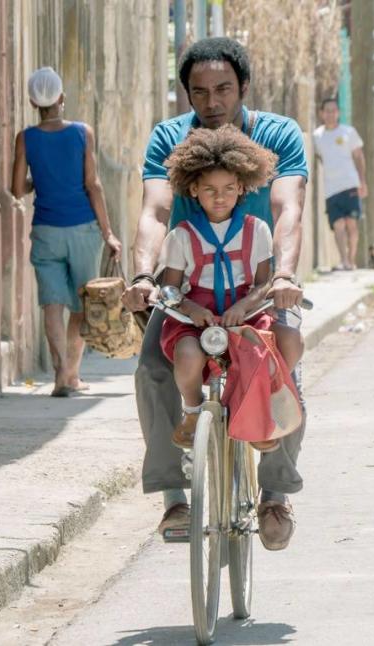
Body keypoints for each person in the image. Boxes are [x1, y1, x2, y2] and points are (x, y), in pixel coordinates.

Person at [121, 37, 308, 551]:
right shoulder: (169, 139)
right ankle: (173, 497)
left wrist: (284, 278)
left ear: (243, 87)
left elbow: (288, 208)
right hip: (190, 296)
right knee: (152, 369)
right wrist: (142, 277)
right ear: (187, 95)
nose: (212, 101)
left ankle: (275, 493)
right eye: (199, 92)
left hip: (260, 290)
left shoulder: (279, 135)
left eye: (223, 88)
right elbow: (155, 212)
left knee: (283, 366)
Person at [158, 126, 302, 455]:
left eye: (227, 189)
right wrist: (192, 310)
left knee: (263, 350)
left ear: (240, 187)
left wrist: (245, 305)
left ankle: (257, 409)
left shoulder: (257, 230)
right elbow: (169, 287)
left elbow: (264, 282)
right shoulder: (182, 235)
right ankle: (193, 412)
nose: (219, 197)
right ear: (193, 189)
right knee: (188, 355)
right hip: (195, 317)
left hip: (246, 312)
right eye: (209, 189)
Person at [11, 67, 122, 397]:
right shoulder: (81, 133)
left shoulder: (25, 138)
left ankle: (59, 371)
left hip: (46, 229)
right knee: (80, 305)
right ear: (61, 98)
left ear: (33, 102)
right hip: (83, 230)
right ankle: (73, 375)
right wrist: (108, 232)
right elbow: (93, 184)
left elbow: (17, 188)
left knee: (51, 305)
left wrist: (40, 181)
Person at [313, 98, 367, 270]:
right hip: (331, 188)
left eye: (334, 110)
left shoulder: (348, 132)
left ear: (339, 113)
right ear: (321, 113)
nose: (330, 114)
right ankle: (343, 260)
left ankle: (351, 260)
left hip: (350, 183)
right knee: (338, 225)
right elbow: (319, 158)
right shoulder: (317, 136)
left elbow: (359, 157)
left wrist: (362, 181)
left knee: (351, 223)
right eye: (327, 111)